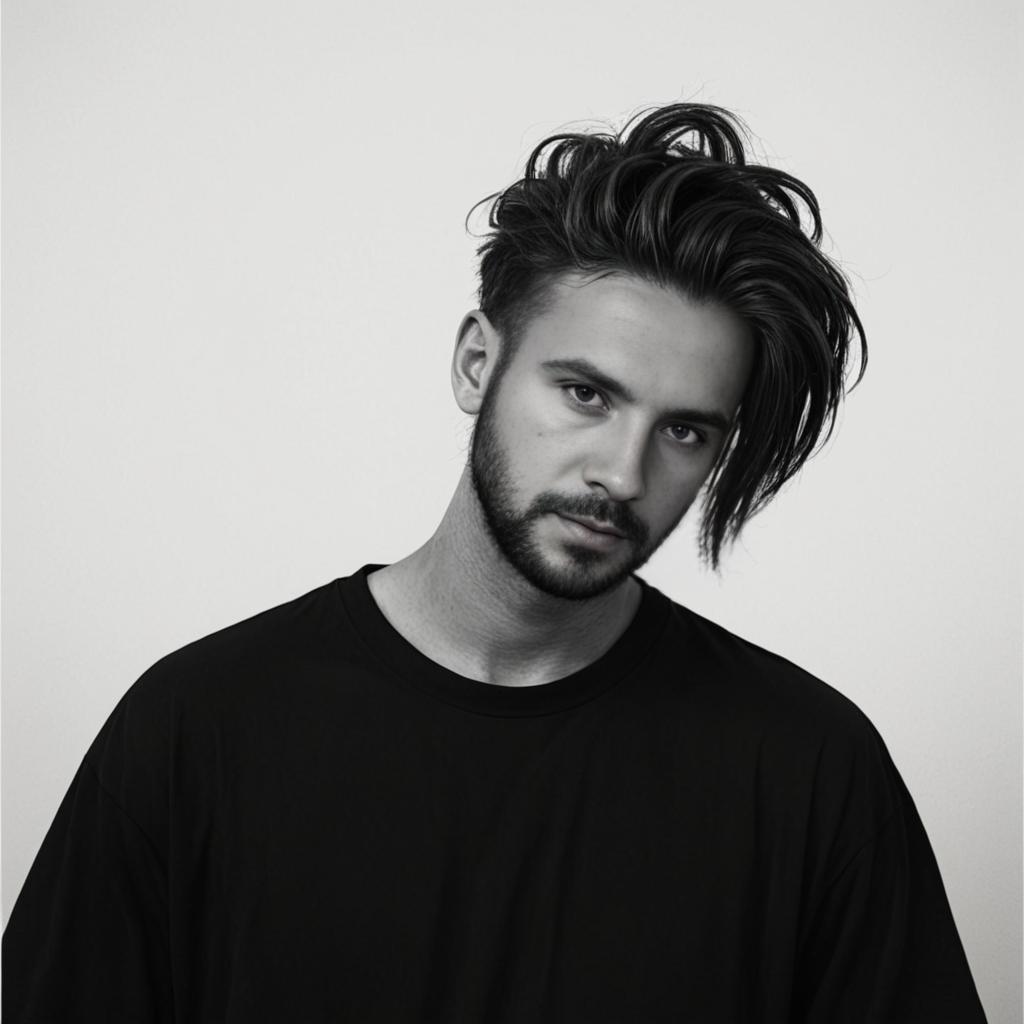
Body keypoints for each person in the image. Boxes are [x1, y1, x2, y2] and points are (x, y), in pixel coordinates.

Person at [3, 104, 987, 1022]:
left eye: (684, 430)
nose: (620, 470)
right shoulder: (197, 729)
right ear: (479, 363)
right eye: (586, 394)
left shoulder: (808, 768)